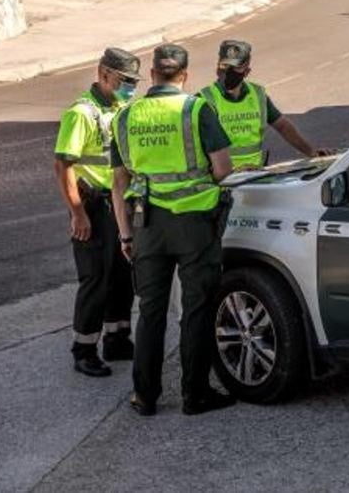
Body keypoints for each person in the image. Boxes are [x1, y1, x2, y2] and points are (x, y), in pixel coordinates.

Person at [111, 44, 236, 417]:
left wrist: (124, 235)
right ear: (184, 75)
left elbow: (118, 183)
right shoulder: (196, 109)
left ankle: (144, 396)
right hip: (195, 225)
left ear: (151, 75)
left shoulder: (125, 117)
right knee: (196, 310)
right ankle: (194, 395)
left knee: (151, 312)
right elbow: (223, 169)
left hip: (145, 224)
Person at [53, 48, 141, 377]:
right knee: (95, 279)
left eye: (133, 82)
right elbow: (63, 166)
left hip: (119, 203)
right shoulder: (82, 113)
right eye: (123, 81)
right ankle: (84, 348)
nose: (129, 87)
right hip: (93, 205)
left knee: (122, 276)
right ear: (103, 74)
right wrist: (78, 214)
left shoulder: (121, 109)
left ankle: (117, 339)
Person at [199, 40, 322, 171]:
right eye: (225, 66)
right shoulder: (204, 99)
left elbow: (283, 126)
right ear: (217, 67)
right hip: (221, 180)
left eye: (235, 68)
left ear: (246, 72)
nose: (228, 72)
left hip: (255, 175)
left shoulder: (257, 95)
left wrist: (311, 153)